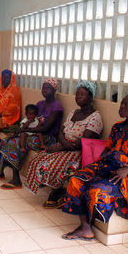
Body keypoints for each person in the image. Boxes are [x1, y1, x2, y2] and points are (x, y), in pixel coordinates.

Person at [62, 93, 128, 241]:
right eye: (121, 103)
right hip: (107, 167)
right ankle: (85, 227)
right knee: (76, 179)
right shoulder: (117, 128)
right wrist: (97, 166)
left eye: (126, 104)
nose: (122, 106)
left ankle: (89, 226)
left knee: (97, 189)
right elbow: (108, 150)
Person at [24, 80, 103, 208]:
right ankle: (57, 190)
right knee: (37, 159)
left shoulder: (95, 117)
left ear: (90, 97)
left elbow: (83, 142)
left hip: (78, 153)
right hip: (64, 146)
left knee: (49, 165)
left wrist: (61, 145)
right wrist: (61, 142)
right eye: (77, 94)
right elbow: (61, 131)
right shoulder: (73, 113)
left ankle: (57, 193)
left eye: (82, 94)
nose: (78, 97)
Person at [0, 78, 63, 190]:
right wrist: (22, 128)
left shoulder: (56, 106)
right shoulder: (40, 104)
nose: (45, 90)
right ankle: (0, 171)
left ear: (54, 90)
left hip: (46, 137)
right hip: (32, 134)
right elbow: (31, 120)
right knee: (6, 140)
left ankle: (16, 180)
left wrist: (24, 131)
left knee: (15, 144)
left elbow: (46, 127)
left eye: (48, 88)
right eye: (43, 88)